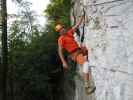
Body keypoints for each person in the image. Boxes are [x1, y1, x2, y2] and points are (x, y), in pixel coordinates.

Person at [55, 15, 95, 94]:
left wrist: (82, 17)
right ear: (59, 33)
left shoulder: (69, 32)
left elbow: (77, 25)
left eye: (62, 28)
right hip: (74, 54)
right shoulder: (61, 39)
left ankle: (87, 70)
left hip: (79, 50)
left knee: (89, 52)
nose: (62, 30)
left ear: (64, 28)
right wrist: (63, 62)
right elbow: (60, 51)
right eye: (60, 31)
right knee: (86, 64)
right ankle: (87, 87)